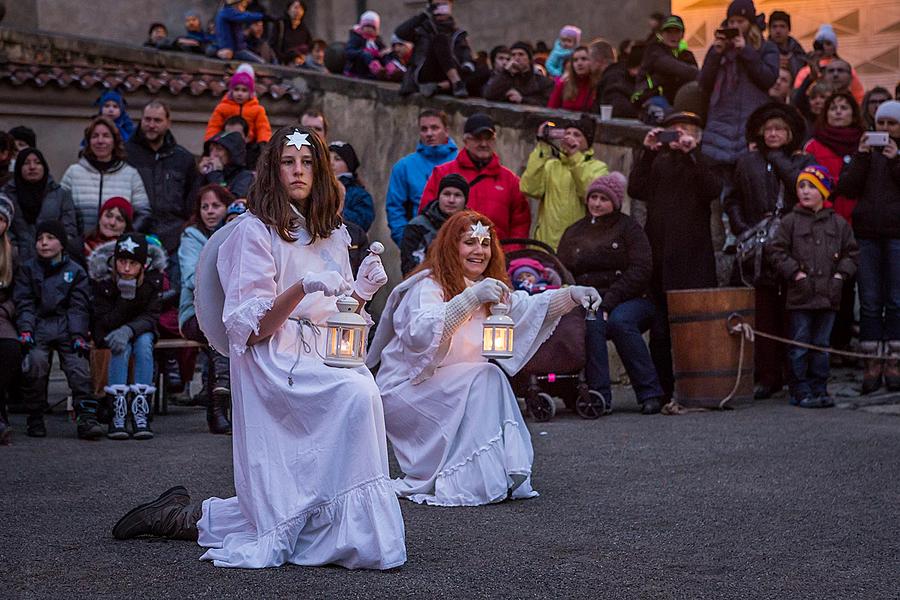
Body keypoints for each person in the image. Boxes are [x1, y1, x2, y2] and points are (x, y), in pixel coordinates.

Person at [112, 126, 407, 571]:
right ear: (273, 169)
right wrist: (300, 287)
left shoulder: (333, 232)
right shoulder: (254, 232)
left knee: (362, 391)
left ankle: (186, 516)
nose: (298, 171)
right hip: (274, 356)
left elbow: (339, 312)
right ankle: (320, 529)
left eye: (307, 162)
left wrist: (361, 292)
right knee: (355, 395)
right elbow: (250, 330)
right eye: (288, 162)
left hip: (324, 351)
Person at [368, 210, 601, 506]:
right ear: (451, 247)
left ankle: (483, 477)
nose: (479, 250)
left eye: (485, 242)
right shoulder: (427, 286)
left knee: (486, 374)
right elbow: (421, 332)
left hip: (454, 386)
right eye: (469, 242)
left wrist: (572, 295)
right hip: (410, 387)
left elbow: (527, 308)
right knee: (485, 375)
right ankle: (465, 480)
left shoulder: (491, 289)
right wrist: (470, 298)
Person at [628, 111, 722, 402]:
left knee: (695, 327)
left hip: (693, 258)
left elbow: (712, 188)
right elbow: (636, 189)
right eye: (673, 130)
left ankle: (698, 388)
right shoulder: (657, 160)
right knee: (660, 330)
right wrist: (647, 151)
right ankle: (663, 390)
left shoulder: (703, 160)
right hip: (660, 257)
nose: (678, 135)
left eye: (684, 130)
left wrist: (692, 153)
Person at [724, 103, 814, 399]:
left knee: (793, 312)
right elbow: (732, 198)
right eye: (769, 129)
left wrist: (777, 159)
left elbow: (801, 189)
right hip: (757, 249)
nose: (773, 134)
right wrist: (740, 226)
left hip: (793, 246)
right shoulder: (746, 161)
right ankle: (768, 375)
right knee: (762, 313)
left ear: (790, 134)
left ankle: (796, 374)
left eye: (780, 129)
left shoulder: (802, 162)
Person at [557, 173, 664, 413]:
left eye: (603, 199)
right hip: (590, 301)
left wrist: (607, 303)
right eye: (593, 197)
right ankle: (598, 397)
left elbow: (641, 269)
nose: (596, 203)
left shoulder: (629, 228)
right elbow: (564, 271)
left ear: (614, 202)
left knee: (620, 322)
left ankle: (650, 393)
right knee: (592, 322)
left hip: (633, 298)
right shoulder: (574, 232)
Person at [768, 166, 858, 408]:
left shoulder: (838, 224)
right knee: (800, 344)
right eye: (801, 186)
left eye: (811, 186)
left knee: (822, 345)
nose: (805, 191)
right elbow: (776, 251)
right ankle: (800, 389)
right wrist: (794, 273)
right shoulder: (790, 222)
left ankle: (820, 387)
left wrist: (840, 275)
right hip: (801, 295)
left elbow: (852, 253)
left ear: (824, 191)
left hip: (829, 295)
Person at [835, 100, 900, 393]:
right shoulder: (864, 154)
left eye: (892, 124)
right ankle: (872, 360)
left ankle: (894, 360)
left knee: (896, 300)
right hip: (867, 235)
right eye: (882, 123)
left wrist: (896, 160)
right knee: (871, 300)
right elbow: (846, 188)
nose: (885, 129)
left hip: (897, 235)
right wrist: (861, 156)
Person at [14, 221, 98, 439]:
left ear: (62, 243)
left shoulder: (75, 271)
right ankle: (35, 416)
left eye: (50, 238)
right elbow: (24, 302)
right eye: (40, 239)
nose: (44, 243)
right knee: (36, 363)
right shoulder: (28, 269)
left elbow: (78, 306)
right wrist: (25, 329)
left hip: (67, 326)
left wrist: (79, 335)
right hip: (38, 325)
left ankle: (86, 418)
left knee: (78, 366)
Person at [699, 0, 779, 213]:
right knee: (721, 186)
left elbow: (768, 78)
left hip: (751, 123)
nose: (736, 25)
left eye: (740, 21)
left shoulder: (765, 47)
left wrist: (746, 52)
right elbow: (704, 83)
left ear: (750, 22)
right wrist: (716, 53)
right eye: (732, 20)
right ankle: (726, 232)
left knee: (749, 182)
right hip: (721, 123)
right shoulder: (719, 48)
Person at [803, 91, 864, 354]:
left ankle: (844, 342)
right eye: (833, 108)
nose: (838, 112)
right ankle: (827, 344)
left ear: (854, 113)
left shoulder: (865, 143)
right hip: (824, 225)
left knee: (850, 285)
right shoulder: (813, 146)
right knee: (829, 285)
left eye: (844, 107)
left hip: (859, 222)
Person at [88, 233, 163, 440]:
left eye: (133, 263)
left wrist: (129, 329)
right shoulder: (103, 281)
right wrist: (125, 299)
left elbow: (152, 316)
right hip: (110, 333)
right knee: (120, 347)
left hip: (140, 332)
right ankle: (117, 413)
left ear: (143, 265)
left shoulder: (152, 281)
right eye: (122, 261)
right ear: (114, 261)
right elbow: (102, 320)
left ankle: (141, 410)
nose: (127, 268)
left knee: (144, 343)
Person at [419, 113, 531, 245]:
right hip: (451, 256)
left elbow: (520, 224)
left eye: (488, 138)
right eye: (477, 138)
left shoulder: (511, 181)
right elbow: (426, 217)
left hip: (498, 258)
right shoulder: (442, 173)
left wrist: (508, 255)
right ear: (466, 141)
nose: (483, 144)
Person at [179, 185, 235, 434]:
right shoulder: (192, 237)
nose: (210, 212)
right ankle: (218, 407)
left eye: (216, 206)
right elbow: (192, 278)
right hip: (195, 313)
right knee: (220, 333)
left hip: (231, 311)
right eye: (205, 207)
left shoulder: (237, 233)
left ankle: (222, 407)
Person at [520, 117, 609, 250]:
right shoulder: (551, 165)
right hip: (544, 245)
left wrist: (574, 158)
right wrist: (542, 146)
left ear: (587, 142)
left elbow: (588, 193)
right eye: (567, 134)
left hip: (575, 248)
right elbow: (529, 188)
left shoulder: (598, 168)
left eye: (577, 135)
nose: (569, 138)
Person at [126, 100, 200, 259]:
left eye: (157, 120)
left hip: (175, 240)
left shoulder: (183, 159)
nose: (151, 125)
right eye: (147, 119)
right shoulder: (126, 155)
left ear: (168, 123)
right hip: (136, 235)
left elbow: (192, 200)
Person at [60, 117, 150, 235]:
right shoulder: (73, 173)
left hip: (117, 248)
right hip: (80, 248)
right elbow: (61, 211)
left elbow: (143, 214)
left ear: (114, 141)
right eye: (95, 136)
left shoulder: (130, 175)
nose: (100, 141)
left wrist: (126, 235)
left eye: (106, 136)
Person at [385, 109, 458, 247]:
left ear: (446, 130)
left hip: (459, 243)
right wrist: (406, 241)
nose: (429, 133)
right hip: (419, 244)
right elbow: (395, 208)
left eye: (435, 128)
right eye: (424, 129)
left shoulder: (461, 162)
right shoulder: (405, 166)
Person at [3, 148, 79, 262]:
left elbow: (69, 229)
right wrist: (14, 250)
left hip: (54, 261)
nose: (32, 167)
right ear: (18, 168)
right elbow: (4, 228)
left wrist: (56, 250)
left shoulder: (61, 195)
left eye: (37, 163)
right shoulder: (6, 196)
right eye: (26, 163)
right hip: (15, 262)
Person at [396, 0, 478, 98]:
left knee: (481, 69)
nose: (440, 9)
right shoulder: (422, 30)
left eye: (444, 5)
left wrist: (467, 67)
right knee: (440, 39)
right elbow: (401, 32)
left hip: (448, 71)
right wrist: (424, 14)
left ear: (450, 6)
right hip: (425, 71)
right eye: (437, 5)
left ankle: (440, 86)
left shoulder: (458, 33)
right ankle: (456, 83)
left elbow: (465, 54)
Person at [400, 173, 468, 275]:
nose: (451, 200)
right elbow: (410, 268)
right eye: (446, 194)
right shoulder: (417, 226)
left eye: (457, 195)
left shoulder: (472, 227)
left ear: (465, 200)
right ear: (439, 197)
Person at [792, 25, 864, 105]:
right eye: (820, 44)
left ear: (834, 47)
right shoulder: (806, 71)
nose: (824, 47)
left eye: (828, 43)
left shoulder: (844, 68)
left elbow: (858, 96)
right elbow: (797, 96)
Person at [638, 15, 699, 107]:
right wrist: (701, 74)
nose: (673, 36)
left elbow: (694, 78)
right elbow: (672, 66)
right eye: (668, 32)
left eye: (677, 32)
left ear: (682, 34)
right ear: (662, 34)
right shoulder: (654, 50)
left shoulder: (687, 55)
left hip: (678, 101)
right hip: (649, 97)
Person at [205, 67, 271, 144]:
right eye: (236, 89)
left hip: (249, 145)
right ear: (231, 91)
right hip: (226, 144)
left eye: (244, 90)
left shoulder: (258, 110)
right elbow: (214, 126)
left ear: (250, 93)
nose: (240, 93)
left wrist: (263, 142)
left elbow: (263, 128)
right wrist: (211, 141)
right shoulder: (222, 108)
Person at [483, 42, 554, 106]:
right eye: (513, 55)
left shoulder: (542, 81)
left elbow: (546, 102)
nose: (516, 58)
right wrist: (506, 72)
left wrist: (522, 99)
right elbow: (489, 94)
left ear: (529, 59)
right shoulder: (506, 78)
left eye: (521, 54)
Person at [0, 196, 18, 444]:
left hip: (2, 311)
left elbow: (20, 293)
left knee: (10, 348)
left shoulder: (11, 252)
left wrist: (6, 310)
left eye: (1, 219)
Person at [329, 141, 374, 232]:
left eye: (337, 159)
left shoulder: (359, 194)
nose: (331, 163)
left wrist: (333, 211)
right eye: (327, 158)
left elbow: (362, 221)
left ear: (349, 164)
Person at [199, 131, 254, 198]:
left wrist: (216, 174)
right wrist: (201, 175)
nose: (213, 154)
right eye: (211, 150)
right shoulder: (208, 173)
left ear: (232, 154)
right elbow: (192, 203)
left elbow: (228, 202)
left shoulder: (245, 177)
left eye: (219, 149)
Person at [547, 46, 600, 112]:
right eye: (575, 60)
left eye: (584, 59)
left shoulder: (598, 85)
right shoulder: (564, 84)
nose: (579, 63)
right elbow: (551, 110)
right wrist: (560, 84)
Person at [344, 11, 387, 79]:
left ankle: (390, 70)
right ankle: (376, 70)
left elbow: (382, 49)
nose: (369, 29)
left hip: (374, 64)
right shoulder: (357, 38)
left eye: (372, 27)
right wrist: (361, 52)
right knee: (366, 54)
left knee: (386, 55)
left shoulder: (377, 40)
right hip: (359, 67)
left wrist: (384, 52)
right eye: (367, 26)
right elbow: (349, 52)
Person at [269, 0, 312, 65]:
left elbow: (309, 46)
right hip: (282, 62)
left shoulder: (304, 29)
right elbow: (273, 45)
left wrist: (302, 57)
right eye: (295, 8)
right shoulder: (281, 24)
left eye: (300, 9)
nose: (297, 11)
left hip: (300, 63)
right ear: (288, 10)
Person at [767, 10, 805, 78]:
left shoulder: (798, 52)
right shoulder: (763, 51)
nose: (778, 31)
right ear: (769, 30)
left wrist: (790, 64)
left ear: (789, 29)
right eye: (774, 27)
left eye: (782, 26)